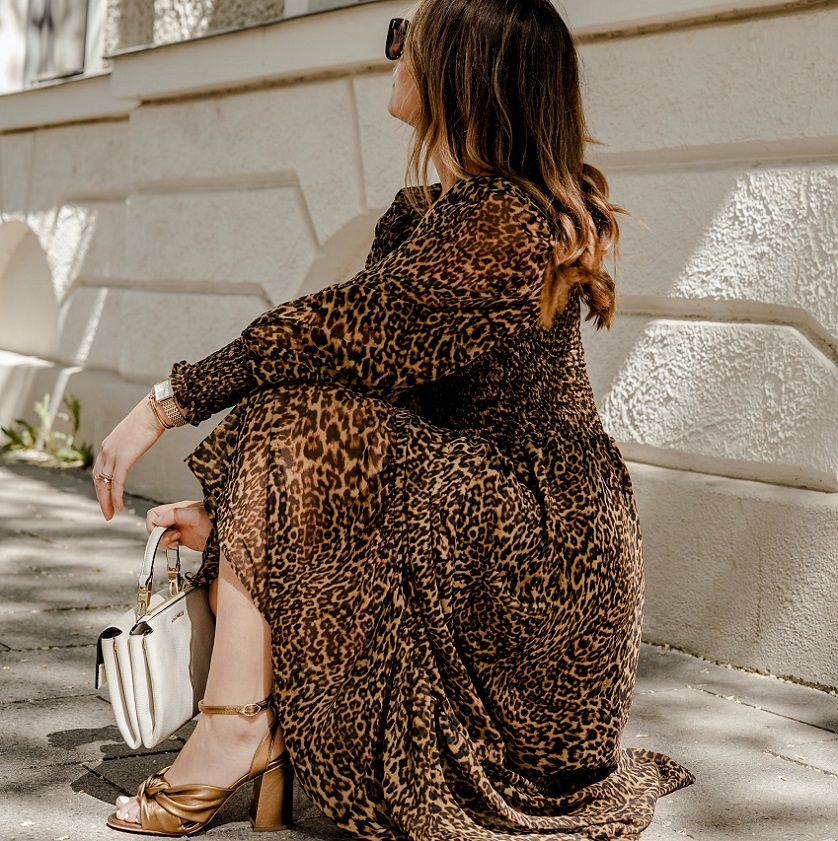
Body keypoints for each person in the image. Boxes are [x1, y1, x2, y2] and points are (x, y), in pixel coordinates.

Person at [93, 0, 694, 837]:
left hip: (545, 585)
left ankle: (237, 726)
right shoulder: (424, 215)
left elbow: (331, 329)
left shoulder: (506, 222)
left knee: (295, 406)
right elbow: (367, 390)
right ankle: (244, 724)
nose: (392, 53)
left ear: (464, 69)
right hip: (475, 530)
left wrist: (166, 403)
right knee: (299, 411)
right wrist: (244, 516)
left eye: (406, 38)